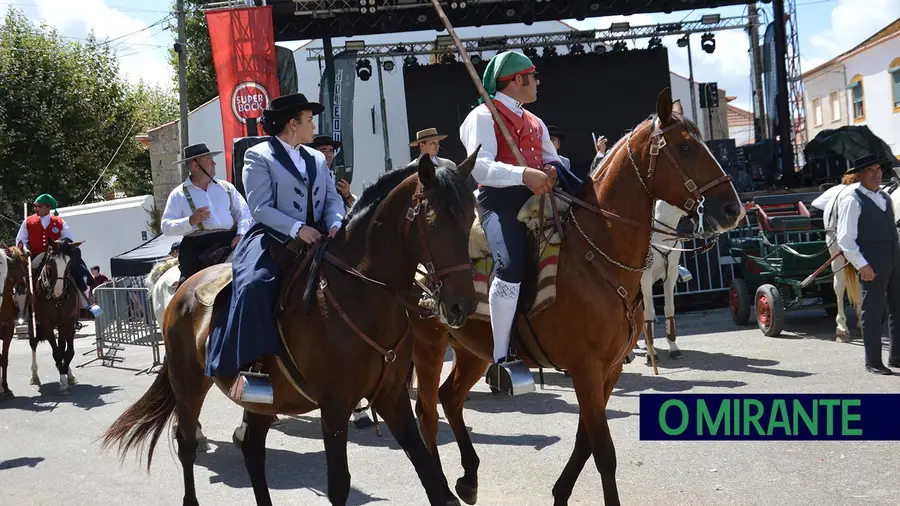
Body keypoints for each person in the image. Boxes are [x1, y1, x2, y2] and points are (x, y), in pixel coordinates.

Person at [459, 50, 583, 392]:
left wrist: (551, 173)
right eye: (533, 76)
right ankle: (500, 359)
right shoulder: (482, 117)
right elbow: (480, 167)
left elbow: (554, 161)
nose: (538, 82)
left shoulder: (535, 121)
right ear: (516, 81)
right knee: (510, 263)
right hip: (498, 201)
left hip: (539, 196)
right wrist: (523, 174)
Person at [206, 92, 344, 385]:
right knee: (256, 284)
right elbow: (260, 208)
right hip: (275, 235)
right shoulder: (258, 156)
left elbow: (332, 199)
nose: (314, 127)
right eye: (309, 120)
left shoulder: (318, 158)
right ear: (292, 124)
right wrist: (297, 228)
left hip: (320, 233)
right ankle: (254, 368)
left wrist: (335, 223)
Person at [836, 154, 900, 375]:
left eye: (879, 169)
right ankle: (873, 362)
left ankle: (896, 356)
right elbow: (845, 239)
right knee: (872, 313)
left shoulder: (884, 197)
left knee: (898, 309)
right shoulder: (852, 200)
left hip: (894, 258)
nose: (877, 174)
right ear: (860, 174)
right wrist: (862, 265)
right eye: (871, 170)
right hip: (871, 262)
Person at [160, 143, 253, 285]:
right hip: (197, 247)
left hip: (231, 241)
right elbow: (166, 226)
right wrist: (190, 220)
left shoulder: (226, 188)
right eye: (208, 160)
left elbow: (244, 213)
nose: (214, 163)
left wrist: (241, 234)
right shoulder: (178, 195)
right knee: (189, 290)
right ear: (195, 166)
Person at [15, 193, 103, 317]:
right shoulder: (28, 222)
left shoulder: (59, 221)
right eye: (35, 206)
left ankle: (86, 302)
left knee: (74, 270)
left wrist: (60, 244)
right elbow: (20, 239)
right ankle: (21, 308)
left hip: (56, 255)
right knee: (22, 275)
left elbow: (68, 238)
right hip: (36, 255)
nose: (35, 209)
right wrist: (25, 249)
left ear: (48, 207)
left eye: (38, 206)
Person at [309, 134, 357, 210]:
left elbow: (356, 207)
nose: (328, 154)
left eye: (330, 151)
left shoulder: (334, 176)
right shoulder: (307, 175)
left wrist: (347, 194)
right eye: (323, 150)